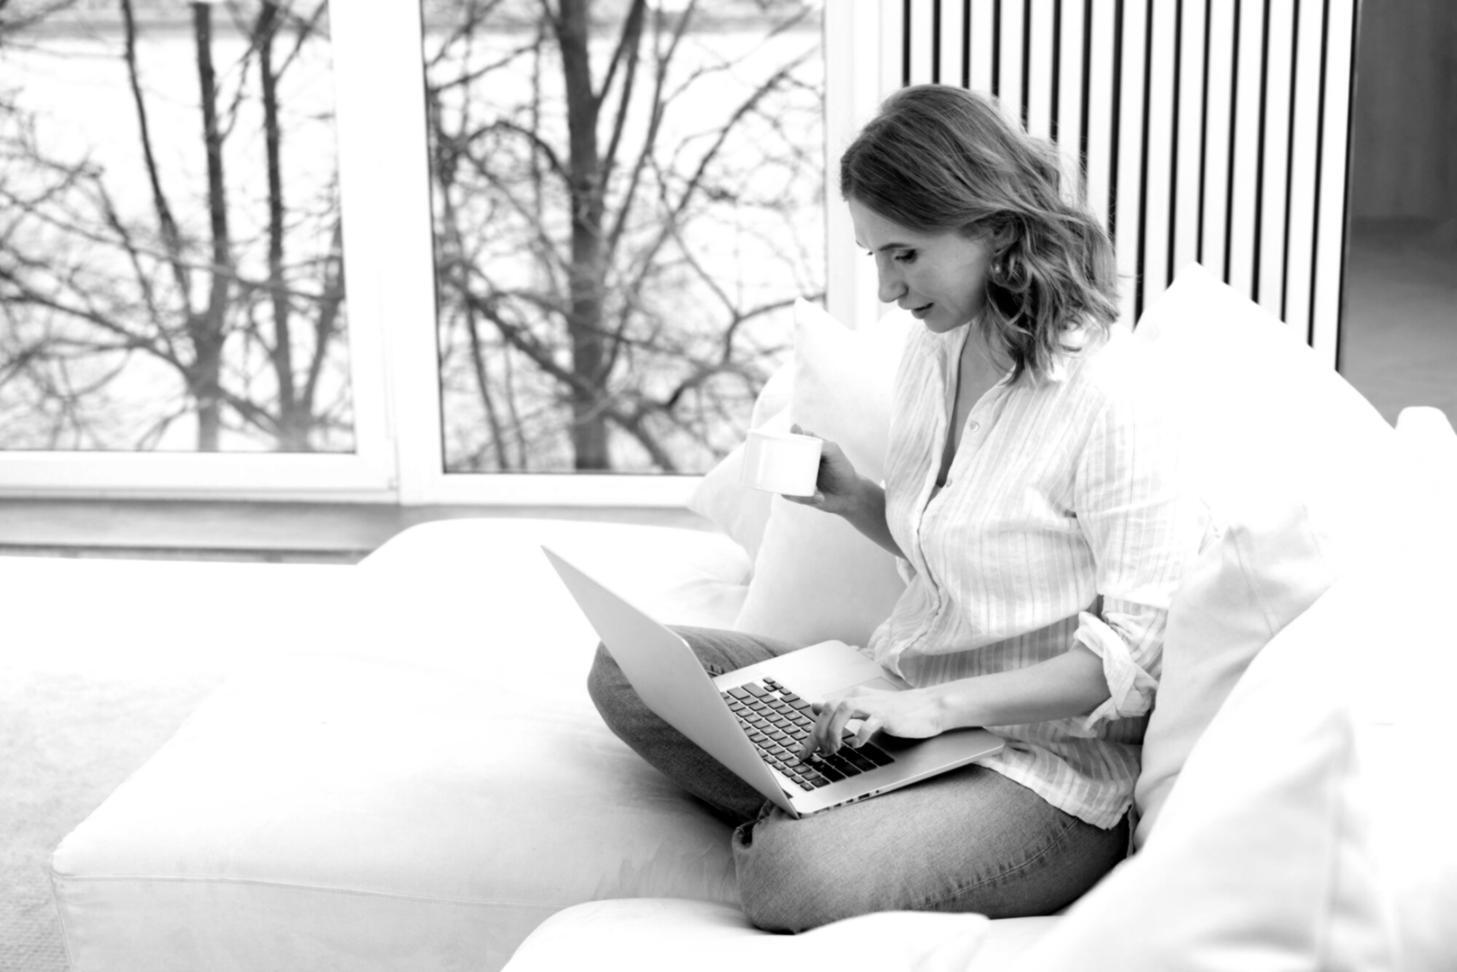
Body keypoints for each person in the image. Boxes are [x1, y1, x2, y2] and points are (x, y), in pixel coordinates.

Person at [587, 84, 1203, 932]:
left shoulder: (1112, 399)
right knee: (629, 666)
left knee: (790, 882)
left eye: (904, 254)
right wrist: (855, 503)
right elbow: (950, 554)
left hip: (1035, 770)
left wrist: (934, 711)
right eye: (873, 254)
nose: (884, 288)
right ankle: (847, 795)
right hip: (896, 704)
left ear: (992, 227)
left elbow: (1130, 666)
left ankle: (827, 814)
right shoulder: (931, 352)